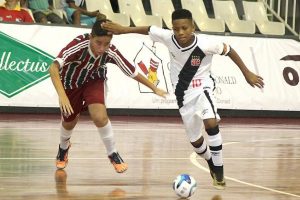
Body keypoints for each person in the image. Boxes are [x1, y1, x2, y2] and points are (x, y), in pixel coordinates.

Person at [102, 9, 264, 188]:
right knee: (196, 143)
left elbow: (229, 51)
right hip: (183, 95)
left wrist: (247, 73)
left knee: (211, 123)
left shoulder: (206, 44)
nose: (180, 32)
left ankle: (219, 172)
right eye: (176, 29)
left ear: (193, 27)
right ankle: (210, 162)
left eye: (185, 28)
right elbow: (148, 29)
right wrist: (123, 29)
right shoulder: (167, 37)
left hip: (203, 87)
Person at [49, 17, 167, 173]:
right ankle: (63, 147)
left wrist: (154, 88)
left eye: (106, 44)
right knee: (69, 121)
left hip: (94, 79)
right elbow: (53, 68)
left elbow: (131, 71)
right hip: (71, 84)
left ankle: (113, 153)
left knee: (100, 116)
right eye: (98, 43)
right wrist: (62, 95)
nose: (102, 48)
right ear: (91, 37)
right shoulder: (78, 45)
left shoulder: (110, 51)